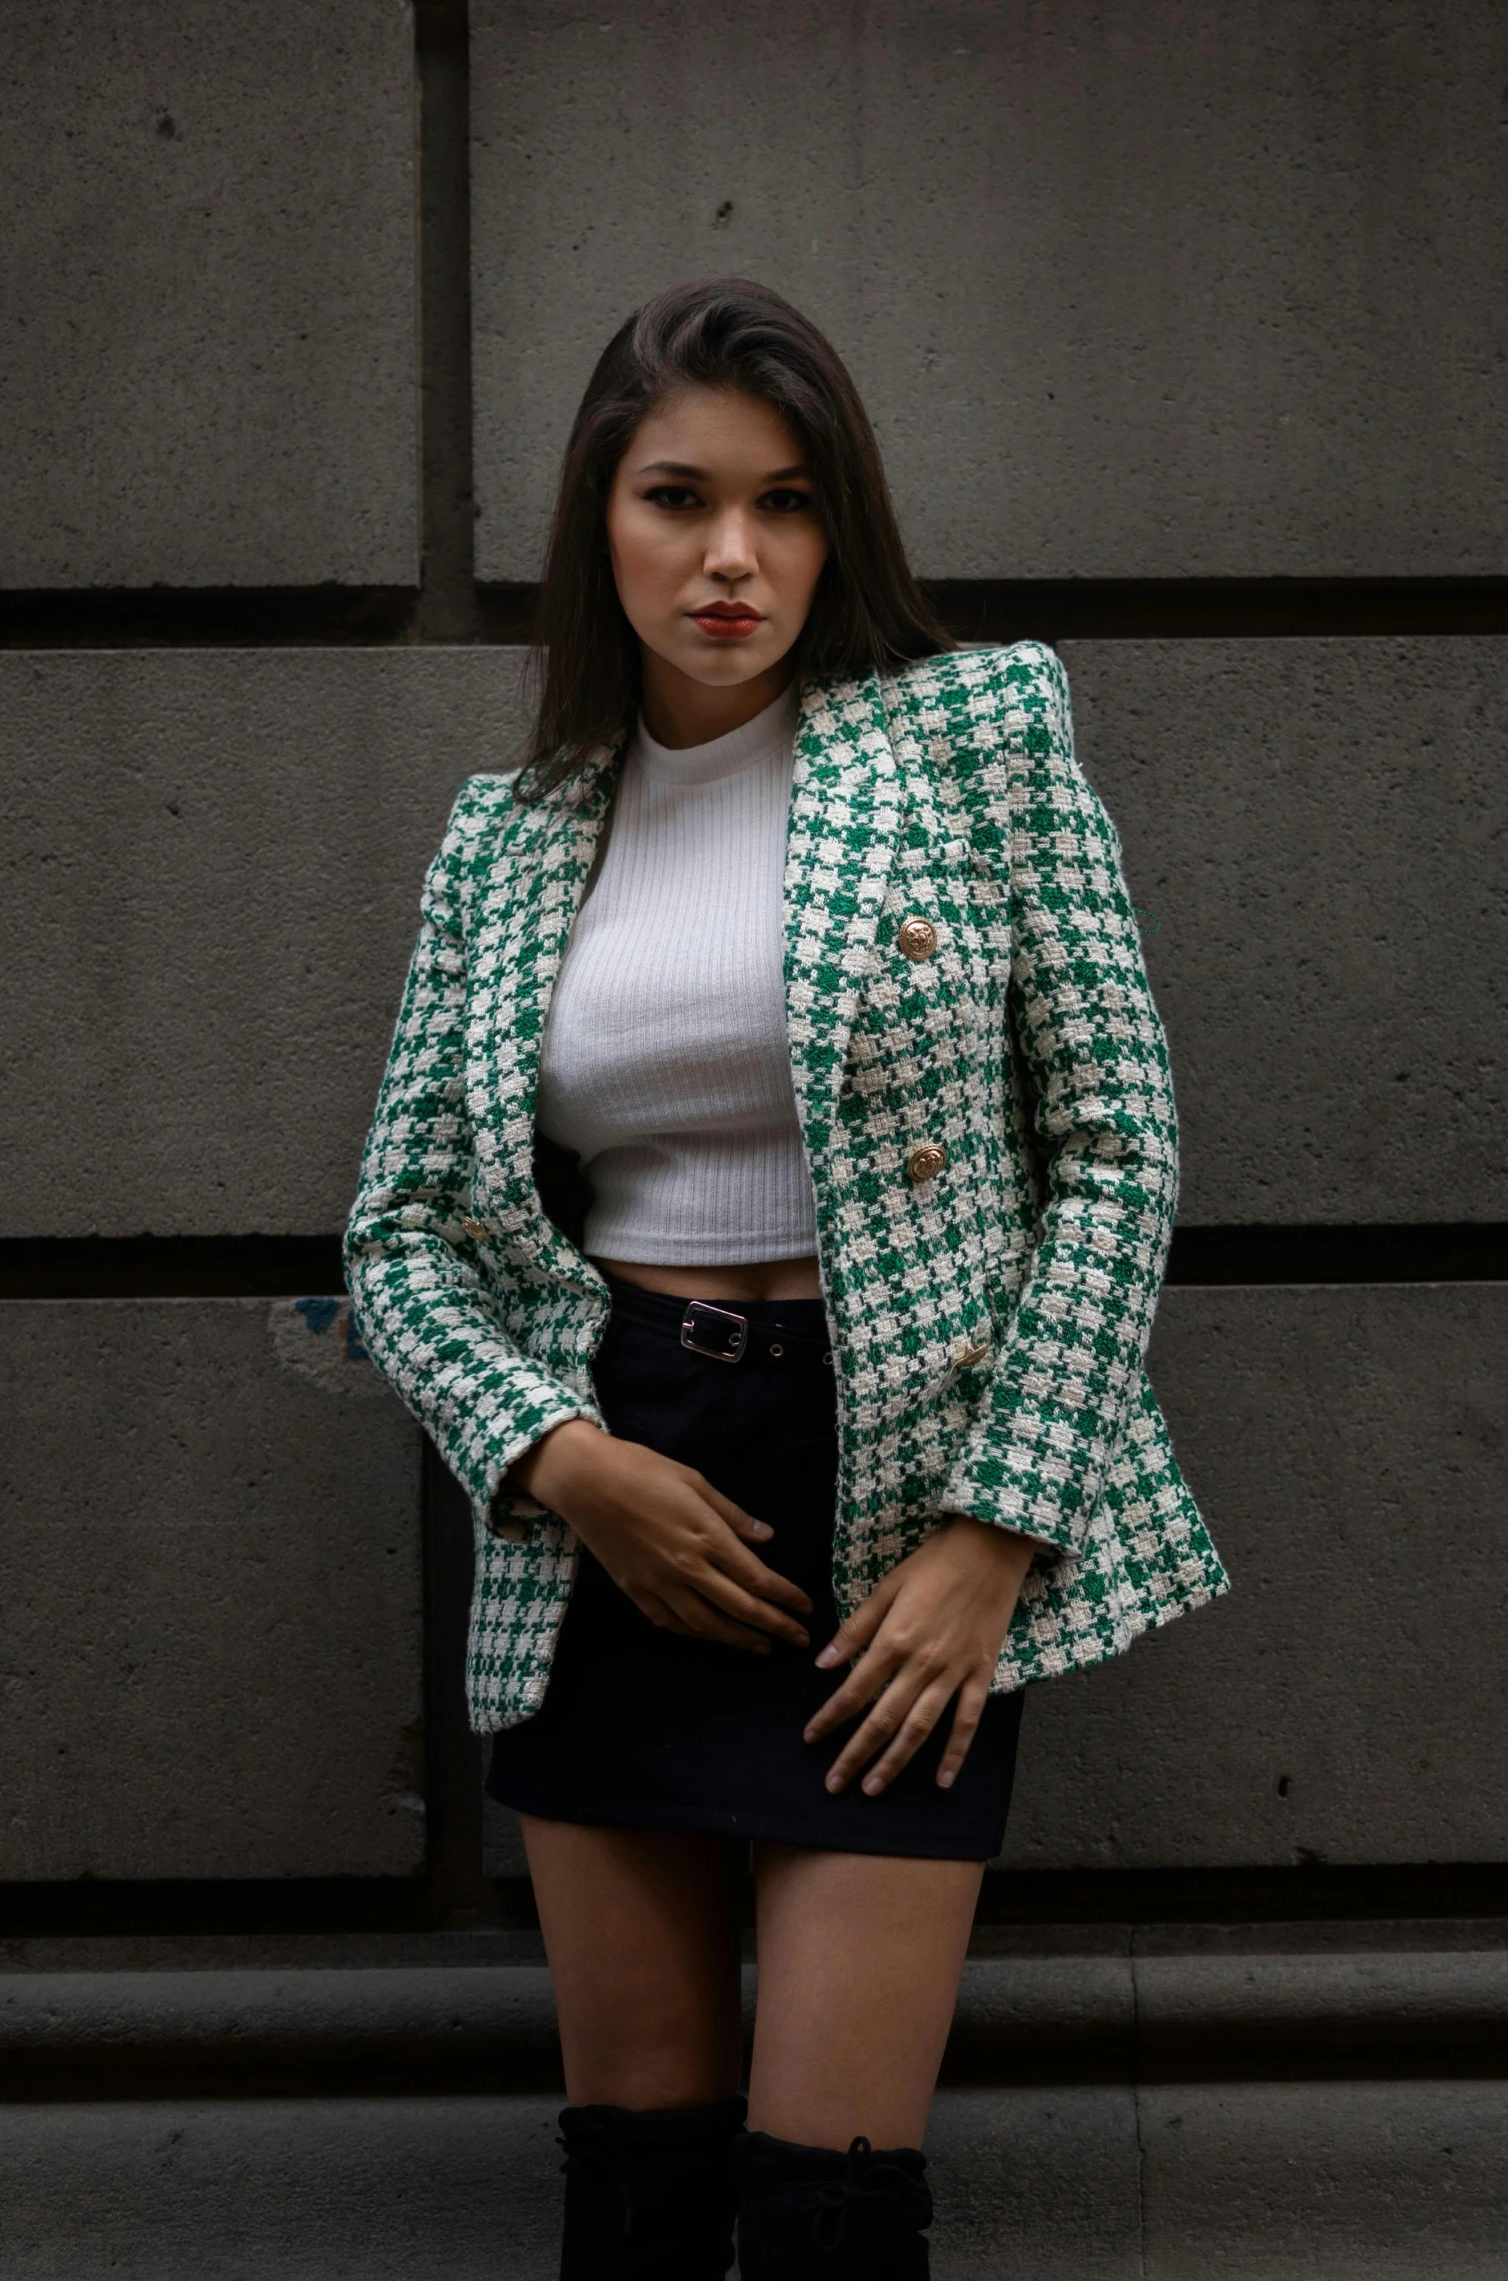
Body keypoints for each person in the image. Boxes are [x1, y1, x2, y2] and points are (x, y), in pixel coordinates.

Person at [344, 276, 1228, 2279]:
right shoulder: (505, 840)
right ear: (600, 520)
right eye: (676, 498)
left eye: (787, 503)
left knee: (830, 2205)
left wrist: (999, 1532)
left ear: (842, 531)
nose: (731, 555)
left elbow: (1116, 1147)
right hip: (613, 1481)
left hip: (897, 1482)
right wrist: (557, 1460)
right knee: (634, 2188)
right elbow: (395, 1237)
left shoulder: (981, 742)